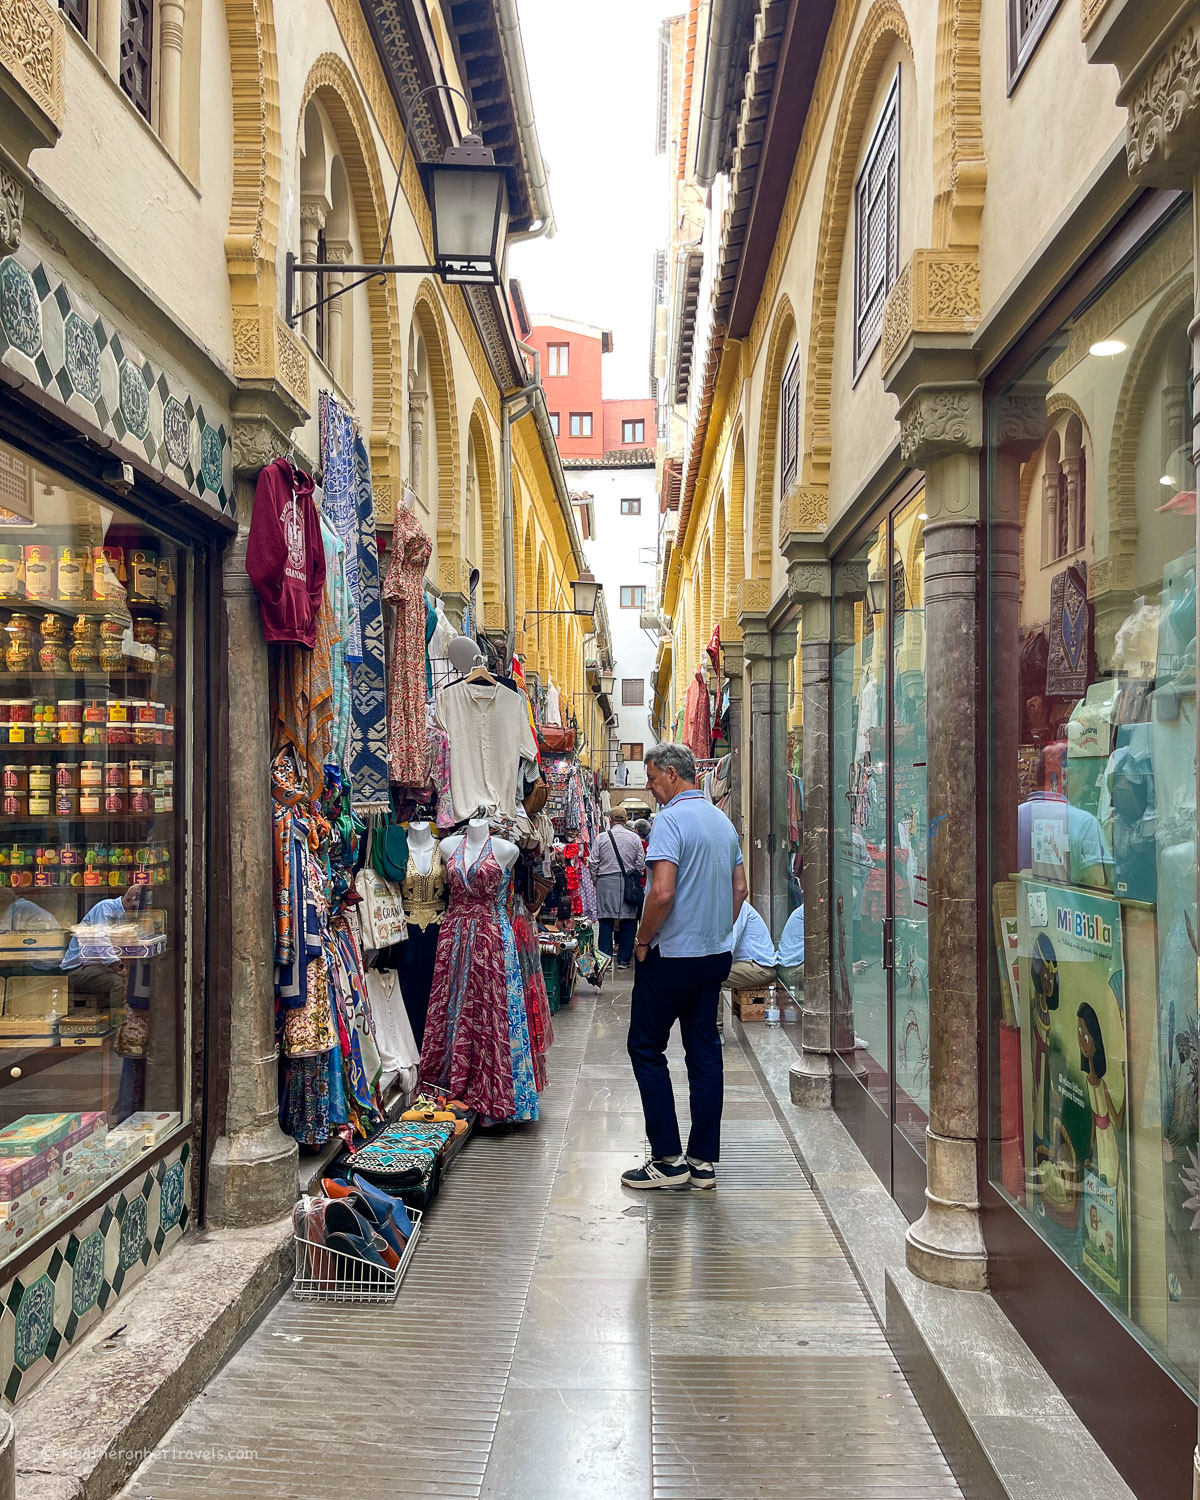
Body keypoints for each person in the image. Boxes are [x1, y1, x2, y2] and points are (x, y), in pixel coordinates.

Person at [622, 742, 746, 1192]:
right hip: (713, 957)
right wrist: (717, 932)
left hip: (671, 956)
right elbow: (740, 889)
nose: (651, 788)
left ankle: (668, 1159)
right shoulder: (722, 822)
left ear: (673, 774)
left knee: (645, 1048)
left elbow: (662, 893)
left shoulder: (670, 820)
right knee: (704, 1052)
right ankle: (703, 1162)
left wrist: (641, 941)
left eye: (653, 779)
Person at [588, 808, 646, 968]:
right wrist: (634, 875)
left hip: (605, 882)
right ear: (625, 820)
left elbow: (593, 862)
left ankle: (604, 960)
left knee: (605, 920)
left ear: (611, 820)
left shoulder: (601, 838)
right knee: (629, 920)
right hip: (628, 883)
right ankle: (624, 959)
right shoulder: (634, 838)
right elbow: (641, 862)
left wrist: (596, 880)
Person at [727, 901, 778, 990]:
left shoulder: (736, 905)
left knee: (707, 974)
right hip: (745, 965)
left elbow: (729, 946)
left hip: (760, 968)